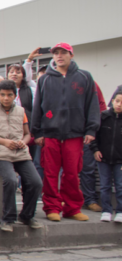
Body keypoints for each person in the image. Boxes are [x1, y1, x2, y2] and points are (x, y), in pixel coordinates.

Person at [32, 43, 100, 222]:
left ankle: (72, 208)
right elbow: (37, 107)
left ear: (71, 54)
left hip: (75, 133)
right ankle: (52, 207)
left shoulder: (84, 76)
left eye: (63, 53)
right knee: (50, 173)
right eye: (56, 53)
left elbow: (92, 104)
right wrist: (37, 132)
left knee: (72, 173)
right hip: (50, 134)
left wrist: (91, 129)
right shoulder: (45, 79)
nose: (59, 56)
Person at [0, 79, 44, 232]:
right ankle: (8, 218)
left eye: (10, 95)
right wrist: (4, 142)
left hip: (20, 153)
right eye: (2, 95)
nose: (6, 98)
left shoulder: (21, 111)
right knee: (10, 180)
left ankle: (27, 216)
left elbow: (28, 134)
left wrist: (24, 142)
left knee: (36, 182)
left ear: (15, 96)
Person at [90, 91, 122, 223]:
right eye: (117, 101)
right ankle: (106, 211)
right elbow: (93, 136)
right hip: (103, 158)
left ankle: (120, 211)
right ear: (112, 101)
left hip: (120, 160)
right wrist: (95, 150)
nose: (119, 104)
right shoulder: (103, 116)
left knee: (120, 186)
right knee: (104, 185)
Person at [79, 83, 107, 213]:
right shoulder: (62, 83)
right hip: (68, 132)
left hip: (87, 133)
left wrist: (94, 128)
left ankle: (90, 199)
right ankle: (66, 198)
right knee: (67, 168)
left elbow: (100, 107)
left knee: (88, 168)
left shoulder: (90, 83)